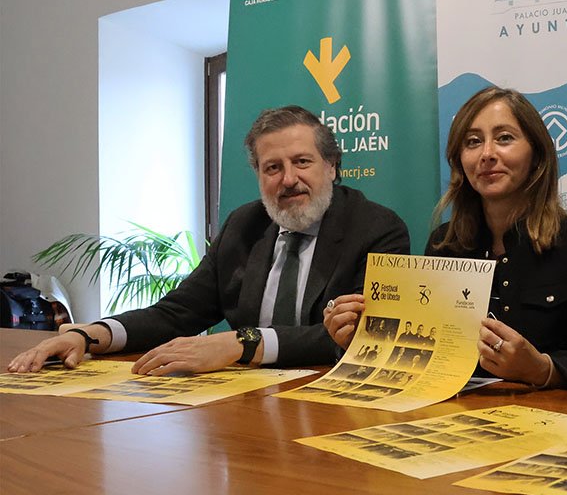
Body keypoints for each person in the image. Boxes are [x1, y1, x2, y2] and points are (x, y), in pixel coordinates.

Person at [8, 105, 409, 375]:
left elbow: (358, 336)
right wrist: (89, 334)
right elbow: (176, 313)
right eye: (273, 167)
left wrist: (241, 344)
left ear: (332, 166)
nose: (288, 179)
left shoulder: (377, 229)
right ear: (259, 175)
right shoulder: (244, 225)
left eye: (302, 162)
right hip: (246, 406)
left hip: (332, 401)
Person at [338, 85, 567, 392]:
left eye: (504, 138)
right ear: (460, 161)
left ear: (537, 154)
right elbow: (421, 357)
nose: (487, 154)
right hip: (455, 417)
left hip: (551, 420)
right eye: (473, 142)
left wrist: (544, 370)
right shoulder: (443, 245)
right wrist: (362, 342)